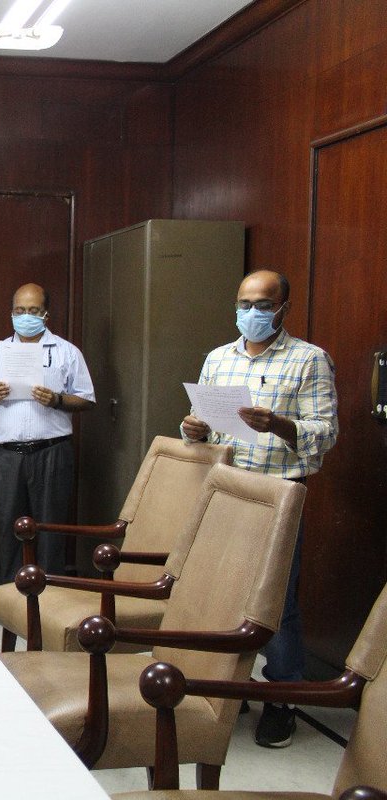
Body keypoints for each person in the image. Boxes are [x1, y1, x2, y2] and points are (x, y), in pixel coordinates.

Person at [180, 269, 337, 749]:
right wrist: (192, 429)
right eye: (244, 304)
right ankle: (230, 684)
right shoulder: (218, 358)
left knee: (276, 600)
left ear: (283, 307)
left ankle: (281, 698)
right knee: (223, 590)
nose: (252, 313)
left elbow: (325, 432)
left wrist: (280, 425)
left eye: (263, 305)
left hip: (279, 492)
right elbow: (203, 426)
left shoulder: (308, 359)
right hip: (227, 489)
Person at [0, 283, 95, 602]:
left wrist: (56, 399)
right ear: (12, 313)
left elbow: (86, 400)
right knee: (9, 530)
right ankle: (9, 603)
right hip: (6, 455)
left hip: (51, 452)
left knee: (50, 531)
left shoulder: (67, 352)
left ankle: (50, 604)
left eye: (33, 310)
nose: (26, 316)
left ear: (45, 314)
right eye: (20, 310)